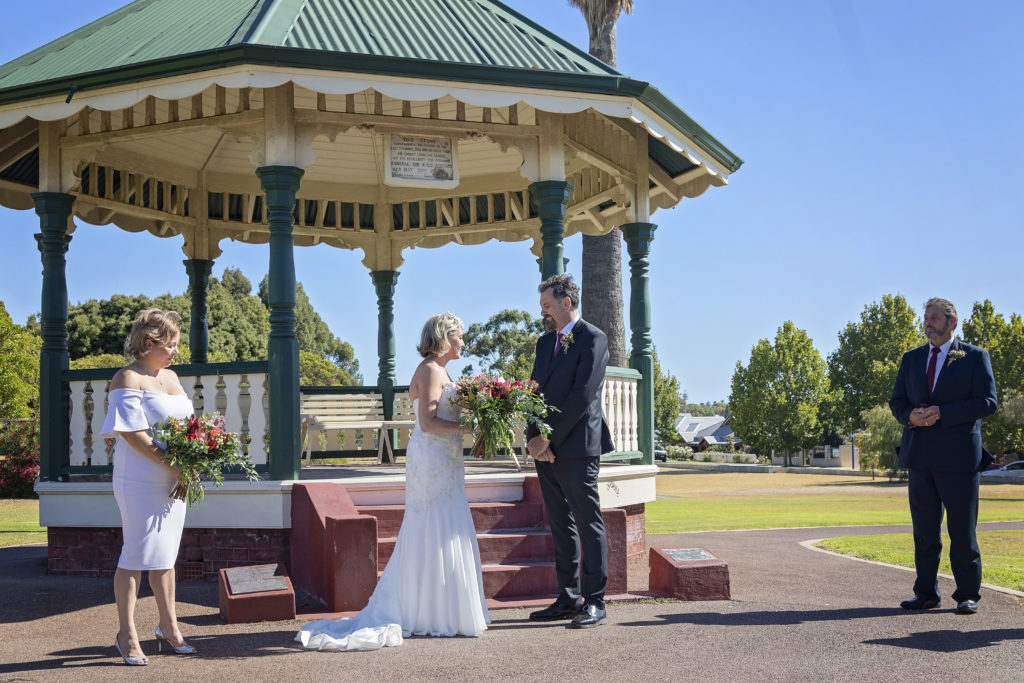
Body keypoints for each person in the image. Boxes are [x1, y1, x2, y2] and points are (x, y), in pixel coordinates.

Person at [297, 312, 489, 651]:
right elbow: (428, 422)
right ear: (444, 337)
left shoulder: (444, 370)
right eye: (459, 335)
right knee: (432, 524)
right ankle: (426, 613)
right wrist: (468, 429)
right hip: (432, 460)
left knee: (447, 523)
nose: (463, 341)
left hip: (447, 459)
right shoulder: (430, 369)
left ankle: (441, 610)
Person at [99, 308, 197, 666]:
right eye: (170, 345)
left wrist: (194, 461)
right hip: (139, 479)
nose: (175, 352)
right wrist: (171, 464)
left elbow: (189, 428)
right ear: (148, 342)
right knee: (136, 555)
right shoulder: (126, 378)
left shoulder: (171, 379)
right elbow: (130, 432)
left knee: (166, 555)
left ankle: (168, 627)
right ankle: (127, 635)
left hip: (176, 479)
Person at [889, 297, 997, 615]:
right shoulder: (911, 359)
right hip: (919, 456)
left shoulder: (975, 358)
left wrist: (942, 413)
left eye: (935, 317)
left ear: (952, 321)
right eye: (926, 317)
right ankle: (925, 593)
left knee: (962, 531)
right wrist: (911, 416)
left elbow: (988, 402)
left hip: (959, 459)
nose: (928, 322)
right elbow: (897, 401)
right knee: (924, 532)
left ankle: (967, 594)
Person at [525, 274, 614, 629]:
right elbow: (533, 390)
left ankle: (594, 600)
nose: (542, 312)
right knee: (560, 524)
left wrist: (549, 438)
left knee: (587, 522)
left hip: (578, 447)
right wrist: (534, 438)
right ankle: (568, 596)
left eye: (547, 305)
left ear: (566, 302)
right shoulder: (545, 343)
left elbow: (582, 395)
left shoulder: (594, 338)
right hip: (544, 449)